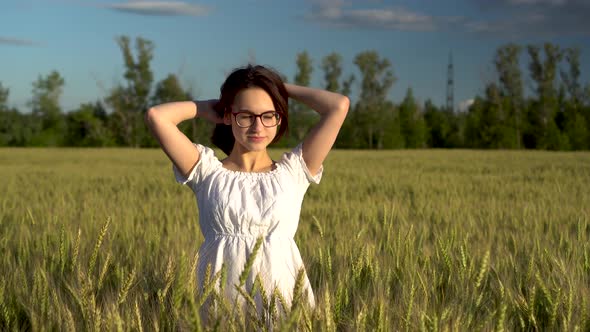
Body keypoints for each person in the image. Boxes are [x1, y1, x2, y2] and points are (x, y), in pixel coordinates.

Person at [145, 64, 349, 321]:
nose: (258, 127)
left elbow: (338, 106)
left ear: (279, 117)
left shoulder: (295, 170)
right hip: (219, 303)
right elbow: (156, 116)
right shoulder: (206, 171)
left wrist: (277, 88)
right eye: (246, 116)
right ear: (228, 116)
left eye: (268, 115)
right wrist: (207, 108)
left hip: (282, 303)